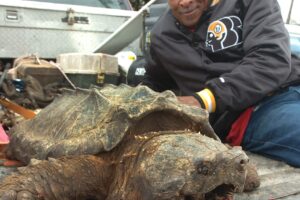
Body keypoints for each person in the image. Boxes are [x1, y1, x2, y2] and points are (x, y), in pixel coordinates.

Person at [142, 0, 300, 167]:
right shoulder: (161, 36)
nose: (185, 2)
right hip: (252, 114)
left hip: (285, 87)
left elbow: (270, 60)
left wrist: (203, 100)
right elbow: (154, 81)